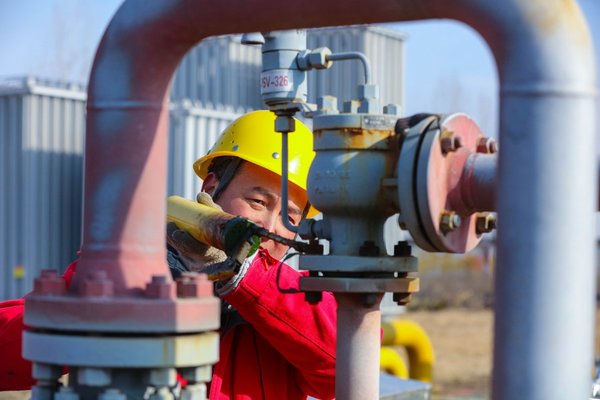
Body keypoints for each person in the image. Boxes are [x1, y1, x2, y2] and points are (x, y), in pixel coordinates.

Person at [0, 110, 337, 400]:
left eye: (291, 217)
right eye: (257, 202)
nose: (271, 226)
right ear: (210, 188)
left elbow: (343, 367)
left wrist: (243, 275)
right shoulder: (135, 269)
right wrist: (114, 302)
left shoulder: (300, 304)